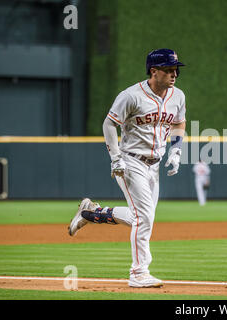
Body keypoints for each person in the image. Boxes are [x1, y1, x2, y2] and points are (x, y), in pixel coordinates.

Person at [68, 48, 186, 288]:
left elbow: (179, 122)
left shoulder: (178, 95)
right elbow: (109, 124)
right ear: (154, 71)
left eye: (176, 69)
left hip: (155, 164)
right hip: (131, 161)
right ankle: (139, 272)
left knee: (139, 218)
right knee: (144, 218)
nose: (174, 74)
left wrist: (176, 149)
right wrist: (115, 157)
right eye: (168, 69)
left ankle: (91, 213)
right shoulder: (131, 95)